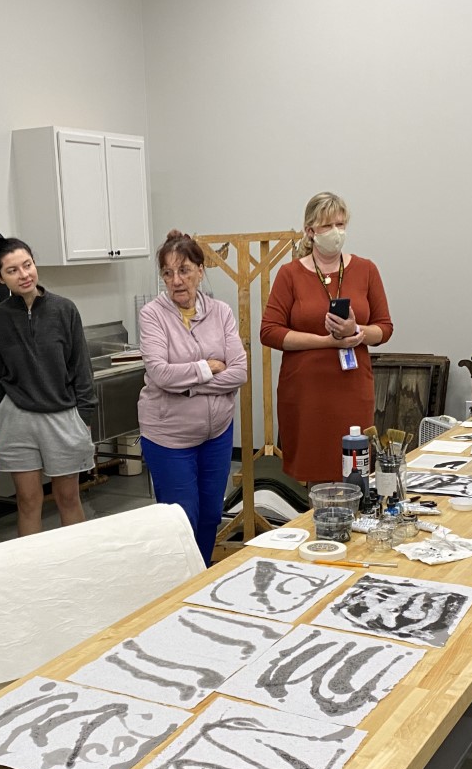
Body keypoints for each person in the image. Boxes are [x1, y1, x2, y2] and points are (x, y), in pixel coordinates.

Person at [260, 192, 394, 484]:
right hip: (307, 392)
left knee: (354, 471)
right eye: (327, 226)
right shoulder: (290, 274)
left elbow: (384, 327)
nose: (336, 232)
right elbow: (269, 332)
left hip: (351, 388)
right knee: (317, 476)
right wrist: (327, 341)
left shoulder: (366, 269)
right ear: (310, 231)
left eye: (341, 224)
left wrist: (357, 333)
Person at [137, 229, 248, 564]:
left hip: (216, 433)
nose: (176, 280)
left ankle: (199, 578)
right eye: (168, 273)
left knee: (212, 514)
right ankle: (180, 586)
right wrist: (208, 368)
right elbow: (159, 373)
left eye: (184, 270)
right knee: (181, 520)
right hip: (169, 437)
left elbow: (240, 371)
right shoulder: (152, 315)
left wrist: (189, 385)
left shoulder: (221, 312)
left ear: (201, 270)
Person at [0, 237, 97, 536]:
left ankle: (78, 562)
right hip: (17, 418)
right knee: (28, 501)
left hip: (63, 415)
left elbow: (81, 366)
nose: (24, 275)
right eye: (12, 270)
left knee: (68, 497)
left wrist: (83, 416)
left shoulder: (64, 310)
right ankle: (33, 573)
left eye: (27, 265)